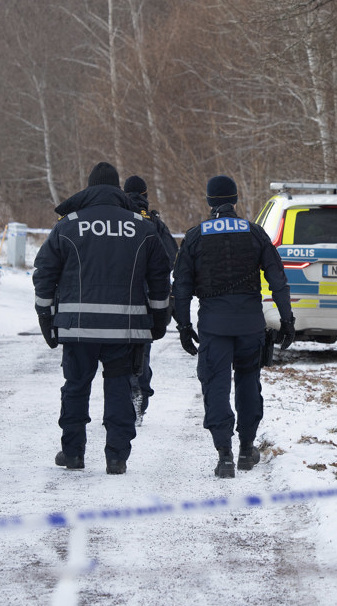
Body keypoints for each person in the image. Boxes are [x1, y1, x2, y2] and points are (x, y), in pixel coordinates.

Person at [33, 162, 172, 474]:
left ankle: (73, 454)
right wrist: (160, 318)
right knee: (120, 389)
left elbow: (45, 273)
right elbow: (161, 276)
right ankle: (117, 457)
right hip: (125, 329)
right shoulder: (142, 226)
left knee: (76, 386)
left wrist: (46, 316)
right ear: (117, 188)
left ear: (89, 187)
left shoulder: (67, 226)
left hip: (77, 328)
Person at [173, 175, 295, 478]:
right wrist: (287, 320)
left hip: (214, 327)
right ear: (236, 200)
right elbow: (278, 280)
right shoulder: (255, 233)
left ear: (209, 201)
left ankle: (224, 454)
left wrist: (184, 326)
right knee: (248, 382)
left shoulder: (195, 236)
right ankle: (246, 448)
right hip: (250, 325)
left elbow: (181, 288)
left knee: (215, 385)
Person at [123, 174, 178, 423]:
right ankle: (140, 397)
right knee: (141, 351)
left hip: (120, 295)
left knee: (117, 353)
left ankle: (124, 397)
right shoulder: (154, 223)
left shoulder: (119, 221)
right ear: (145, 196)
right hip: (148, 299)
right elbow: (171, 257)